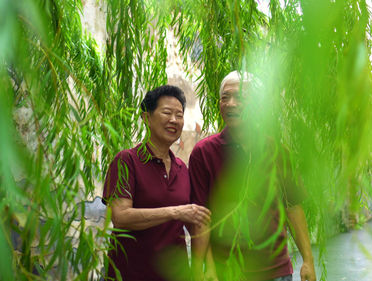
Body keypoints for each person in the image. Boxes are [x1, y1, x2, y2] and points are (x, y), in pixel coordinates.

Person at [189, 71, 316, 281]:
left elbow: (293, 206)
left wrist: (308, 261)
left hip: (277, 271)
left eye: (239, 97)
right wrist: (206, 267)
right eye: (225, 98)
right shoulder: (203, 154)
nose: (230, 104)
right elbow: (201, 218)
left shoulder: (278, 152)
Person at [102, 85, 211, 281]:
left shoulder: (182, 169)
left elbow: (196, 222)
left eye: (179, 115)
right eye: (167, 113)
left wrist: (200, 270)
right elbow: (120, 217)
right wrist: (175, 211)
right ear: (147, 118)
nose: (174, 120)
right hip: (131, 274)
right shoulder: (126, 161)